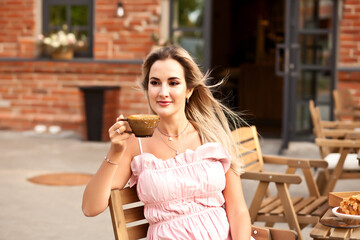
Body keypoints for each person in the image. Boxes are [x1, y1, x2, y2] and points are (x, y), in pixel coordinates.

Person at [82, 45, 252, 239]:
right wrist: (115, 151)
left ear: (189, 90)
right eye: (155, 83)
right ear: (147, 89)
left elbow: (238, 210)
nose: (163, 92)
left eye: (173, 83)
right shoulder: (135, 144)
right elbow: (90, 208)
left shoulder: (212, 136)